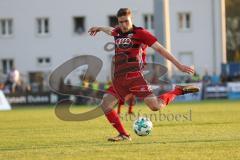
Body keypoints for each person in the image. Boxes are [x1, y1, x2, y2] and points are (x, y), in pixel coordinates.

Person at [88, 8, 199, 142]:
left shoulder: (140, 33)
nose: (123, 25)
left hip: (135, 78)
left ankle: (177, 91)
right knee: (105, 105)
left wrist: (178, 65)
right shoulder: (117, 32)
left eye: (126, 21)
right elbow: (109, 29)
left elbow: (160, 49)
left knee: (155, 106)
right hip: (119, 80)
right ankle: (124, 135)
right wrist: (99, 28)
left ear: (131, 19)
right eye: (120, 22)